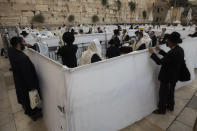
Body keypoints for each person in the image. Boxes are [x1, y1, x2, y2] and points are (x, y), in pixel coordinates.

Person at [148, 32, 184, 115]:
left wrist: (152, 53)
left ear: (171, 42)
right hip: (174, 76)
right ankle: (171, 106)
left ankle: (161, 110)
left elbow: (160, 62)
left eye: (167, 41)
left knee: (163, 94)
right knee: (171, 92)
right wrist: (160, 51)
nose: (166, 42)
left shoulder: (173, 52)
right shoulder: (179, 49)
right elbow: (169, 57)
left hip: (167, 77)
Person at [8, 36, 42, 120]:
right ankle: (33, 114)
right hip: (26, 83)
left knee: (24, 98)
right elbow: (28, 75)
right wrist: (33, 86)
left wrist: (26, 44)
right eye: (24, 42)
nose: (25, 43)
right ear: (19, 44)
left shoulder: (11, 51)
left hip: (19, 79)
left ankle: (30, 110)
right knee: (29, 98)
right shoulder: (23, 58)